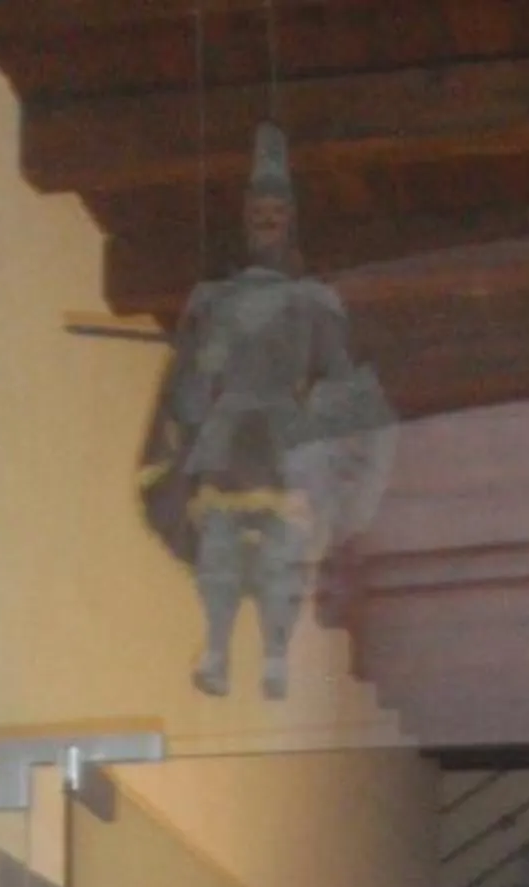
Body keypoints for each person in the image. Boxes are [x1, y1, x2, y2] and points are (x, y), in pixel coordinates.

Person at [138, 123, 394, 701]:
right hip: (227, 429)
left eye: (277, 209)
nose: (266, 219)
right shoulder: (212, 300)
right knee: (222, 545)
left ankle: (276, 653)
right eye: (259, 208)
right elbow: (184, 390)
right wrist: (205, 365)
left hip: (282, 431)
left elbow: (338, 376)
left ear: (291, 219)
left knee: (280, 552)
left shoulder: (313, 303)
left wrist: (337, 418)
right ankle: (217, 647)